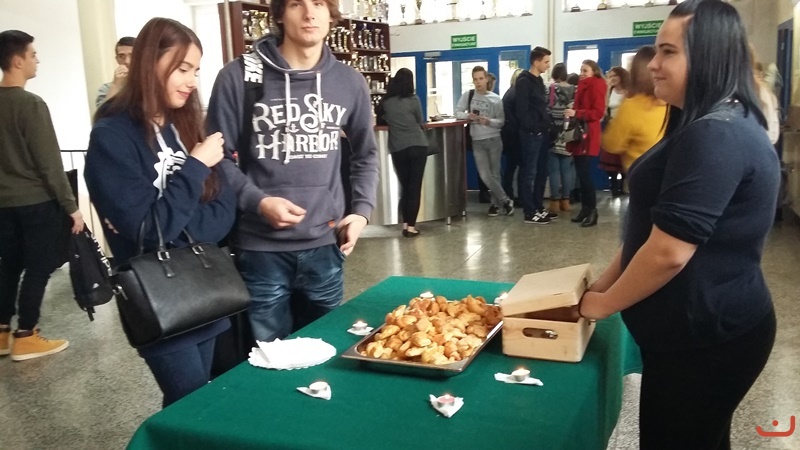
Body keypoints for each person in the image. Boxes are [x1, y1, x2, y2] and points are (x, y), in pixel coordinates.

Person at [578, 1, 780, 448]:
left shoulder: (716, 132)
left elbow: (668, 252)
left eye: (668, 52)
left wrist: (604, 305)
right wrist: (600, 288)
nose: (653, 64)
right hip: (702, 331)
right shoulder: (711, 119)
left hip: (706, 339)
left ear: (709, 55)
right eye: (656, 51)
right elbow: (652, 229)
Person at [206, 0, 378, 343]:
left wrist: (361, 212)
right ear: (280, 14)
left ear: (331, 13)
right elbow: (217, 157)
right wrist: (258, 201)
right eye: (297, 3)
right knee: (267, 357)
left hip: (325, 246)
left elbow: (366, 153)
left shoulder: (349, 82)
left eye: (319, 3)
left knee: (326, 351)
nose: (310, 13)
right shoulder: (238, 77)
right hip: (259, 250)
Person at [84, 18, 236, 407]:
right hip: (159, 296)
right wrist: (195, 167)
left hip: (206, 288)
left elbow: (224, 209)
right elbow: (147, 232)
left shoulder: (184, 125)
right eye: (183, 69)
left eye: (196, 71)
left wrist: (173, 221)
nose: (192, 82)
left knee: (193, 403)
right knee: (191, 403)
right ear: (150, 63)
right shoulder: (112, 136)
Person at [0, 30, 83, 361]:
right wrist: (71, 207)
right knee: (39, 267)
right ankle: (26, 335)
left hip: (3, 205)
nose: (37, 60)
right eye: (33, 54)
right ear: (17, 60)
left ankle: (2, 333)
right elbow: (49, 163)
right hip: (35, 202)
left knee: (8, 266)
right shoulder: (31, 104)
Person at [377, 68, 428, 237]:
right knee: (415, 187)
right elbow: (419, 120)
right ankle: (410, 227)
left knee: (405, 187)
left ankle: (405, 223)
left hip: (398, 148)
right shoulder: (414, 99)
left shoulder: (386, 102)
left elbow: (380, 119)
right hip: (418, 145)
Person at [456, 66, 512, 217]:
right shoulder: (468, 95)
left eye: (481, 78)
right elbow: (458, 112)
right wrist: (468, 116)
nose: (478, 82)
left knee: (495, 174)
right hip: (477, 141)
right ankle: (506, 200)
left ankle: (495, 204)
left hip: (494, 139)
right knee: (484, 175)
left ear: (486, 79)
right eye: (475, 79)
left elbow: (501, 122)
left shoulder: (495, 99)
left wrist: (488, 121)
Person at [601, 46, 667, 173]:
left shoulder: (632, 106)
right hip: (669, 173)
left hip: (641, 174)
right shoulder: (672, 101)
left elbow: (613, 144)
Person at [564, 60, 606, 227]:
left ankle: (592, 211)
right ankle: (585, 209)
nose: (582, 73)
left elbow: (598, 112)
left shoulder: (596, 85)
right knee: (581, 175)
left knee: (585, 175)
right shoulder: (582, 86)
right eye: (581, 70)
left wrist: (577, 113)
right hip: (580, 134)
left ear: (594, 71)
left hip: (588, 134)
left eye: (585, 70)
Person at [515, 46, 553, 224]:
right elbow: (521, 111)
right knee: (529, 172)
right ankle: (529, 211)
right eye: (545, 61)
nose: (548, 65)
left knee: (541, 171)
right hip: (531, 134)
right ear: (536, 62)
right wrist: (534, 128)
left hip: (542, 133)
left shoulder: (539, 81)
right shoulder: (524, 81)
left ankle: (538, 206)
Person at [546, 62, 576, 213]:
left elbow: (547, 109)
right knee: (567, 169)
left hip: (553, 133)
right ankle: (566, 201)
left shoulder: (551, 89)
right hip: (569, 133)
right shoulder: (575, 90)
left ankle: (555, 202)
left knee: (554, 170)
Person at [598, 66, 628, 196]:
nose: (612, 78)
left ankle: (623, 184)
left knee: (623, 160)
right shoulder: (609, 91)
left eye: (615, 75)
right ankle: (614, 185)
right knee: (610, 160)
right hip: (611, 126)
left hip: (626, 128)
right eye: (610, 76)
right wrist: (607, 88)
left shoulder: (628, 91)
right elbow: (604, 108)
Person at [501, 68, 524, 202]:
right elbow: (520, 116)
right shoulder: (517, 94)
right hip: (516, 135)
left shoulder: (509, 93)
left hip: (508, 134)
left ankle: (508, 194)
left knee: (510, 167)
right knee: (520, 167)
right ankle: (519, 196)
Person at [95, 36, 135, 108]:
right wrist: (116, 86)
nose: (127, 61)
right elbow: (104, 113)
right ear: (117, 59)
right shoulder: (106, 89)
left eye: (132, 55)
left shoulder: (152, 84)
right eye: (121, 56)